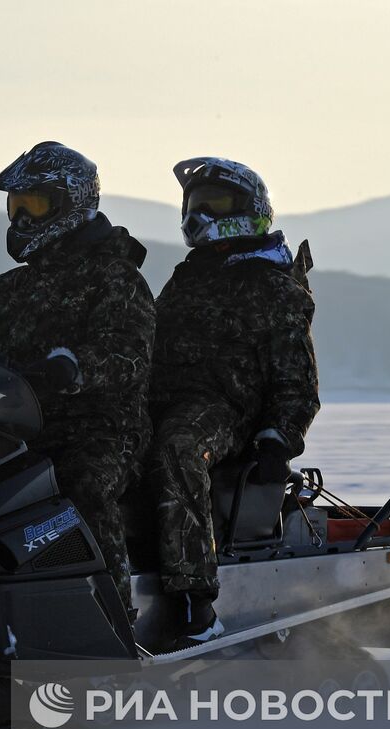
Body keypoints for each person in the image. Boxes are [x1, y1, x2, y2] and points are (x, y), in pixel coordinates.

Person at [0, 141, 155, 612]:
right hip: (21, 425)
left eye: (36, 205)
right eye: (16, 207)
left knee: (81, 484)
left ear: (74, 204)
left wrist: (70, 367)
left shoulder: (116, 277)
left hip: (103, 426)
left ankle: (112, 618)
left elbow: (127, 354)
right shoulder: (12, 288)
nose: (23, 220)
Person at [147, 156, 321, 651]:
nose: (201, 214)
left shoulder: (272, 284)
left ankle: (193, 604)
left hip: (228, 410)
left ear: (250, 209)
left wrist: (278, 438)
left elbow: (297, 381)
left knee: (178, 446)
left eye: (215, 203)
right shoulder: (191, 275)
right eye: (195, 204)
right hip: (163, 401)